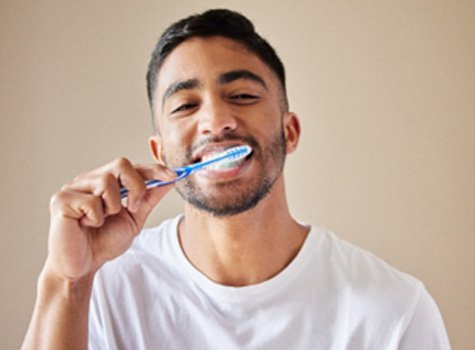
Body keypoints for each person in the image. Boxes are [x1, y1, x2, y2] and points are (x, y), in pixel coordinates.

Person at [22, 9, 451, 350]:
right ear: (160, 154)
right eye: (186, 106)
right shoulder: (102, 289)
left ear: (290, 132)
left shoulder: (394, 311)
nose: (216, 121)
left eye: (242, 96)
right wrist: (67, 283)